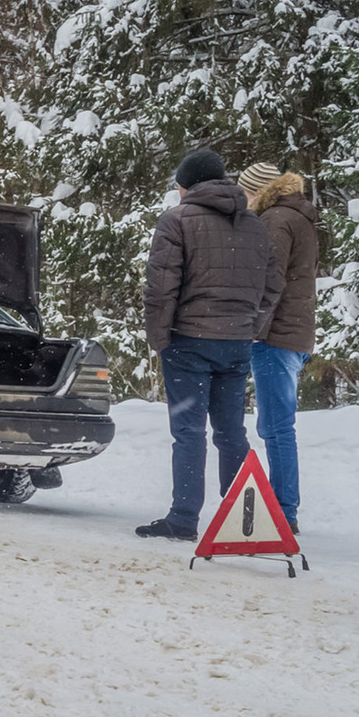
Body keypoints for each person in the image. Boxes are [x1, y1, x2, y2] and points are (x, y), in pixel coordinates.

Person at [136, 150, 282, 540]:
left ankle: (184, 519)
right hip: (235, 343)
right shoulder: (254, 224)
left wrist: (159, 339)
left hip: (188, 341)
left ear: (187, 187)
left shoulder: (176, 220)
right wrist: (253, 325)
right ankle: (243, 522)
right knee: (231, 431)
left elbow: (161, 288)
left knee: (189, 431)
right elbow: (272, 285)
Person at [238, 161, 318, 535]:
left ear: (259, 191)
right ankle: (284, 505)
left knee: (275, 426)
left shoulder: (275, 220)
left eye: (246, 192)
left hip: (275, 337)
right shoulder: (298, 216)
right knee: (277, 424)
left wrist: (255, 329)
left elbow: (271, 281)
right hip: (294, 334)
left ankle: (284, 510)